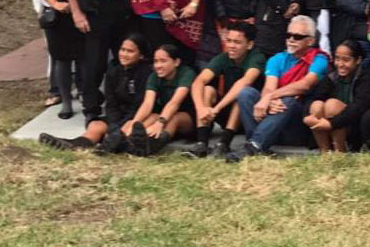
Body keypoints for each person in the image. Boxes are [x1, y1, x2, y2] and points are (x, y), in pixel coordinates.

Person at [230, 15, 329, 159]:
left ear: (311, 41)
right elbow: (269, 87)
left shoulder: (319, 59)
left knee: (289, 101)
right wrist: (268, 100)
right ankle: (256, 144)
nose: (291, 40)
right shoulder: (277, 59)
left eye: (297, 37)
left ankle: (255, 145)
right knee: (246, 93)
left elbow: (305, 85)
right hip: (271, 116)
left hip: (296, 125)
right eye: (288, 35)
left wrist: (270, 97)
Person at [38, 34, 150, 152]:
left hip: (136, 117)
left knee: (127, 128)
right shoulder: (114, 70)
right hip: (118, 116)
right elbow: (111, 103)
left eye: (130, 51)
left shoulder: (145, 73)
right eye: (123, 50)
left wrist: (120, 125)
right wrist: (113, 124)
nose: (124, 54)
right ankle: (73, 144)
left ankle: (110, 145)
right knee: (95, 125)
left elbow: (139, 105)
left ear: (141, 55)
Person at [186, 21, 266, 158]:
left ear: (249, 44)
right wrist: (201, 109)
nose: (231, 46)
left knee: (242, 94)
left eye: (237, 42)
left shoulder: (257, 57)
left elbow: (245, 82)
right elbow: (199, 81)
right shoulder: (223, 57)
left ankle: (224, 143)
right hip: (225, 112)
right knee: (207, 90)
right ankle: (201, 143)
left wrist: (217, 109)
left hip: (250, 115)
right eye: (228, 41)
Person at [303, 39, 370, 153]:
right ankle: (324, 151)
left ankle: (340, 152)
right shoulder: (332, 76)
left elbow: (359, 107)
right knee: (316, 105)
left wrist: (332, 123)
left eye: (346, 60)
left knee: (332, 105)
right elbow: (315, 97)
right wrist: (306, 116)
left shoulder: (366, 78)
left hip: (353, 126)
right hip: (327, 125)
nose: (340, 64)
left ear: (358, 60)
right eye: (337, 59)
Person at [123, 43, 196, 156]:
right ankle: (126, 140)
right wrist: (134, 123)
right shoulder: (154, 76)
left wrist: (160, 123)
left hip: (189, 120)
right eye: (156, 61)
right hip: (165, 116)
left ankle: (151, 145)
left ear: (176, 62)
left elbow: (174, 103)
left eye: (163, 61)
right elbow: (147, 103)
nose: (158, 65)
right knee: (151, 117)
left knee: (173, 117)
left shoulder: (186, 73)